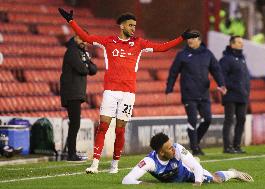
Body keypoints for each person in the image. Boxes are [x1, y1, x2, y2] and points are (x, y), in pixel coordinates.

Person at [58, 8, 194, 173]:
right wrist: (71, 21)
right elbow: (86, 37)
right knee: (103, 126)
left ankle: (114, 165)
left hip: (128, 93)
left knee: (120, 129)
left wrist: (181, 38)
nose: (133, 28)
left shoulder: (139, 43)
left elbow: (162, 48)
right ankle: (94, 164)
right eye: (130, 25)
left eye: (134, 26)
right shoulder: (108, 41)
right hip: (110, 91)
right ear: (122, 26)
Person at [165, 30, 226, 156]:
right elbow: (173, 72)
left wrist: (221, 84)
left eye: (192, 38)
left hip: (204, 93)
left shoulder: (207, 54)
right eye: (188, 38)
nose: (190, 40)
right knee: (192, 120)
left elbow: (216, 70)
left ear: (199, 40)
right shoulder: (182, 54)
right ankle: (195, 148)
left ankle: (195, 142)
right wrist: (169, 89)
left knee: (207, 119)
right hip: (189, 94)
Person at [122, 133, 253, 185]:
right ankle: (192, 159)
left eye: (172, 145)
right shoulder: (150, 162)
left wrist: (197, 182)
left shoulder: (177, 149)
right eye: (169, 148)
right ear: (161, 152)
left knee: (216, 180)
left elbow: (196, 169)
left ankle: (234, 172)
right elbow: (126, 180)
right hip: (176, 178)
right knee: (193, 163)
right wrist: (143, 184)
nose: (173, 148)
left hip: (188, 173)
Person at [60, 35, 97, 161]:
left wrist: (86, 61)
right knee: (75, 123)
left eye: (85, 40)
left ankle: (71, 152)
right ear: (75, 38)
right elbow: (82, 69)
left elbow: (93, 69)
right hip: (72, 92)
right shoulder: (72, 51)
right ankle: (71, 154)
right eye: (81, 39)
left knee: (75, 123)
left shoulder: (82, 53)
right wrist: (85, 62)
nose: (84, 42)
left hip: (77, 92)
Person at [219, 36, 250, 154]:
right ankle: (227, 146)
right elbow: (222, 77)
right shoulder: (226, 59)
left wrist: (246, 90)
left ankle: (237, 145)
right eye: (239, 42)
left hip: (242, 95)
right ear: (232, 44)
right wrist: (235, 86)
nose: (241, 44)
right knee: (229, 120)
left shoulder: (242, 59)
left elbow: (245, 77)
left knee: (242, 119)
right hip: (231, 94)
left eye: (242, 42)